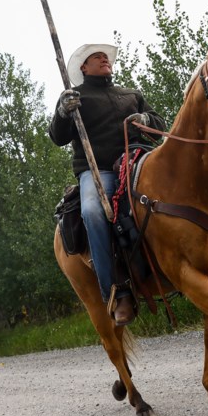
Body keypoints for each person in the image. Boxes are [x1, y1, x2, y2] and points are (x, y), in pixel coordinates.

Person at [49, 43, 167, 326]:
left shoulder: (131, 94)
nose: (104, 59)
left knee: (185, 177)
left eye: (105, 57)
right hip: (99, 171)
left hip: (138, 162)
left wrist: (146, 118)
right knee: (91, 211)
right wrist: (64, 112)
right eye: (96, 57)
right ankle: (118, 292)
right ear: (83, 68)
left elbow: (159, 127)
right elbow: (57, 136)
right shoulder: (75, 98)